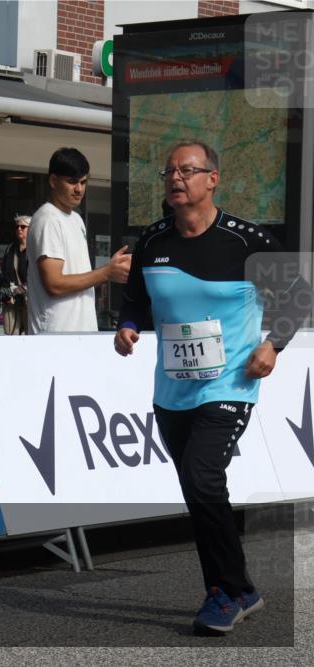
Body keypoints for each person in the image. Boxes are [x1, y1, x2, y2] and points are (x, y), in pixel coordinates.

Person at [114, 140, 310, 635]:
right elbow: (135, 299)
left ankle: (222, 593)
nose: (175, 178)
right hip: (172, 391)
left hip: (231, 383)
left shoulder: (247, 241)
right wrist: (128, 326)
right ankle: (241, 587)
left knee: (203, 477)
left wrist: (273, 346)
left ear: (212, 179)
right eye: (169, 172)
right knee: (197, 490)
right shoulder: (153, 241)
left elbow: (299, 295)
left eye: (187, 170)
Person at [28, 147, 131, 333]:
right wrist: (106, 272)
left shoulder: (76, 219)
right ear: (53, 181)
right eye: (72, 182)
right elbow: (54, 284)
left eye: (83, 182)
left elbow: (79, 278)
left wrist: (110, 270)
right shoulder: (48, 219)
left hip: (81, 334)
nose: (79, 189)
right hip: (56, 338)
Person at [0, 214, 30, 335]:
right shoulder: (10, 249)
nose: (19, 229)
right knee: (11, 336)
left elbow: (39, 277)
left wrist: (23, 290)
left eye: (23, 226)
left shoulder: (35, 250)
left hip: (30, 301)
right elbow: (3, 275)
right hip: (10, 300)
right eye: (17, 227)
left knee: (32, 337)